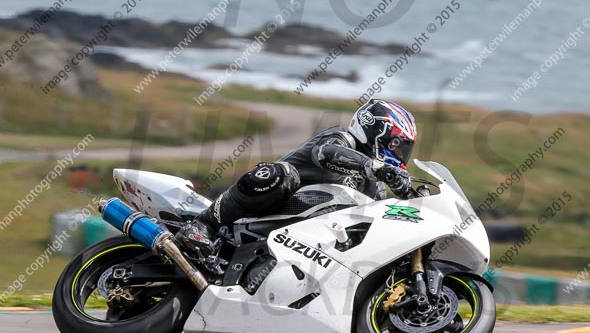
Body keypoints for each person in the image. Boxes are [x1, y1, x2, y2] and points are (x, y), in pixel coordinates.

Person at [177, 99, 418, 256]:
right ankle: (203, 224)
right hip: (268, 209)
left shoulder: (375, 188)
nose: (398, 153)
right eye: (396, 144)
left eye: (403, 148)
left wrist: (415, 198)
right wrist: (372, 165)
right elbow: (326, 154)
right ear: (375, 130)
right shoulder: (341, 140)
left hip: (309, 243)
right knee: (280, 174)